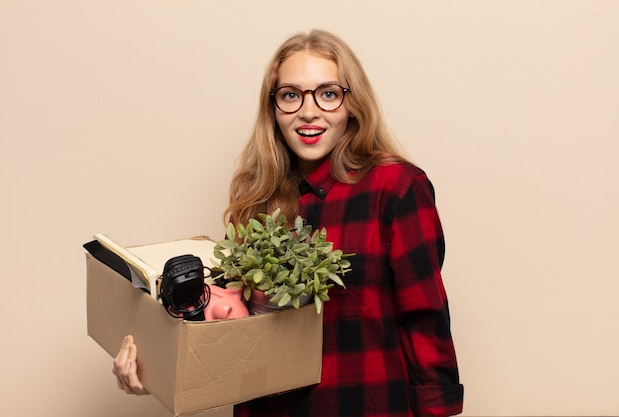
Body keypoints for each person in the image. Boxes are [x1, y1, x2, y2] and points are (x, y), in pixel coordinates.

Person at [113, 29, 464, 417]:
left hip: (364, 404)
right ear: (274, 107)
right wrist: (154, 368)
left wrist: (438, 410)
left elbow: (425, 318)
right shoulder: (254, 201)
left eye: (328, 94)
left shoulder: (395, 188)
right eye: (291, 95)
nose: (308, 111)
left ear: (353, 104)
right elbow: (231, 335)